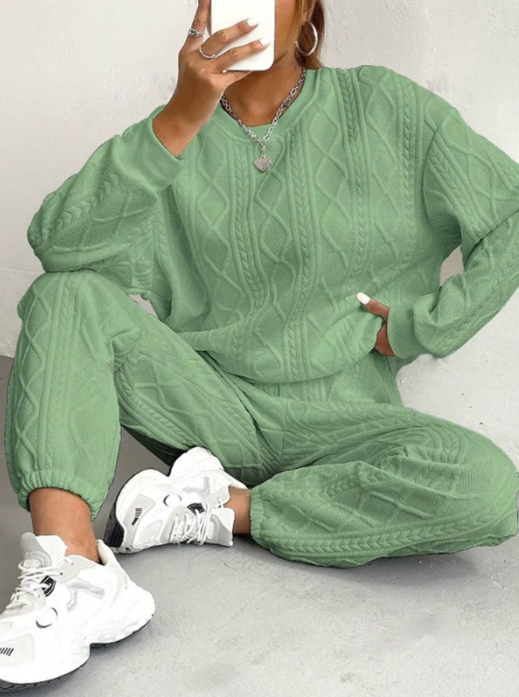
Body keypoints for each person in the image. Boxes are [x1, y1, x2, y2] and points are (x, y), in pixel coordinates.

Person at [2, 0, 519, 690]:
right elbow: (59, 247)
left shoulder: (386, 109)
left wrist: (421, 326)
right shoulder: (174, 137)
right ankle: (74, 573)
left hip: (345, 425)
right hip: (207, 409)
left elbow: (510, 213)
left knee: (487, 487)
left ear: (305, 8)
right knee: (65, 295)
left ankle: (213, 509)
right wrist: (180, 115)